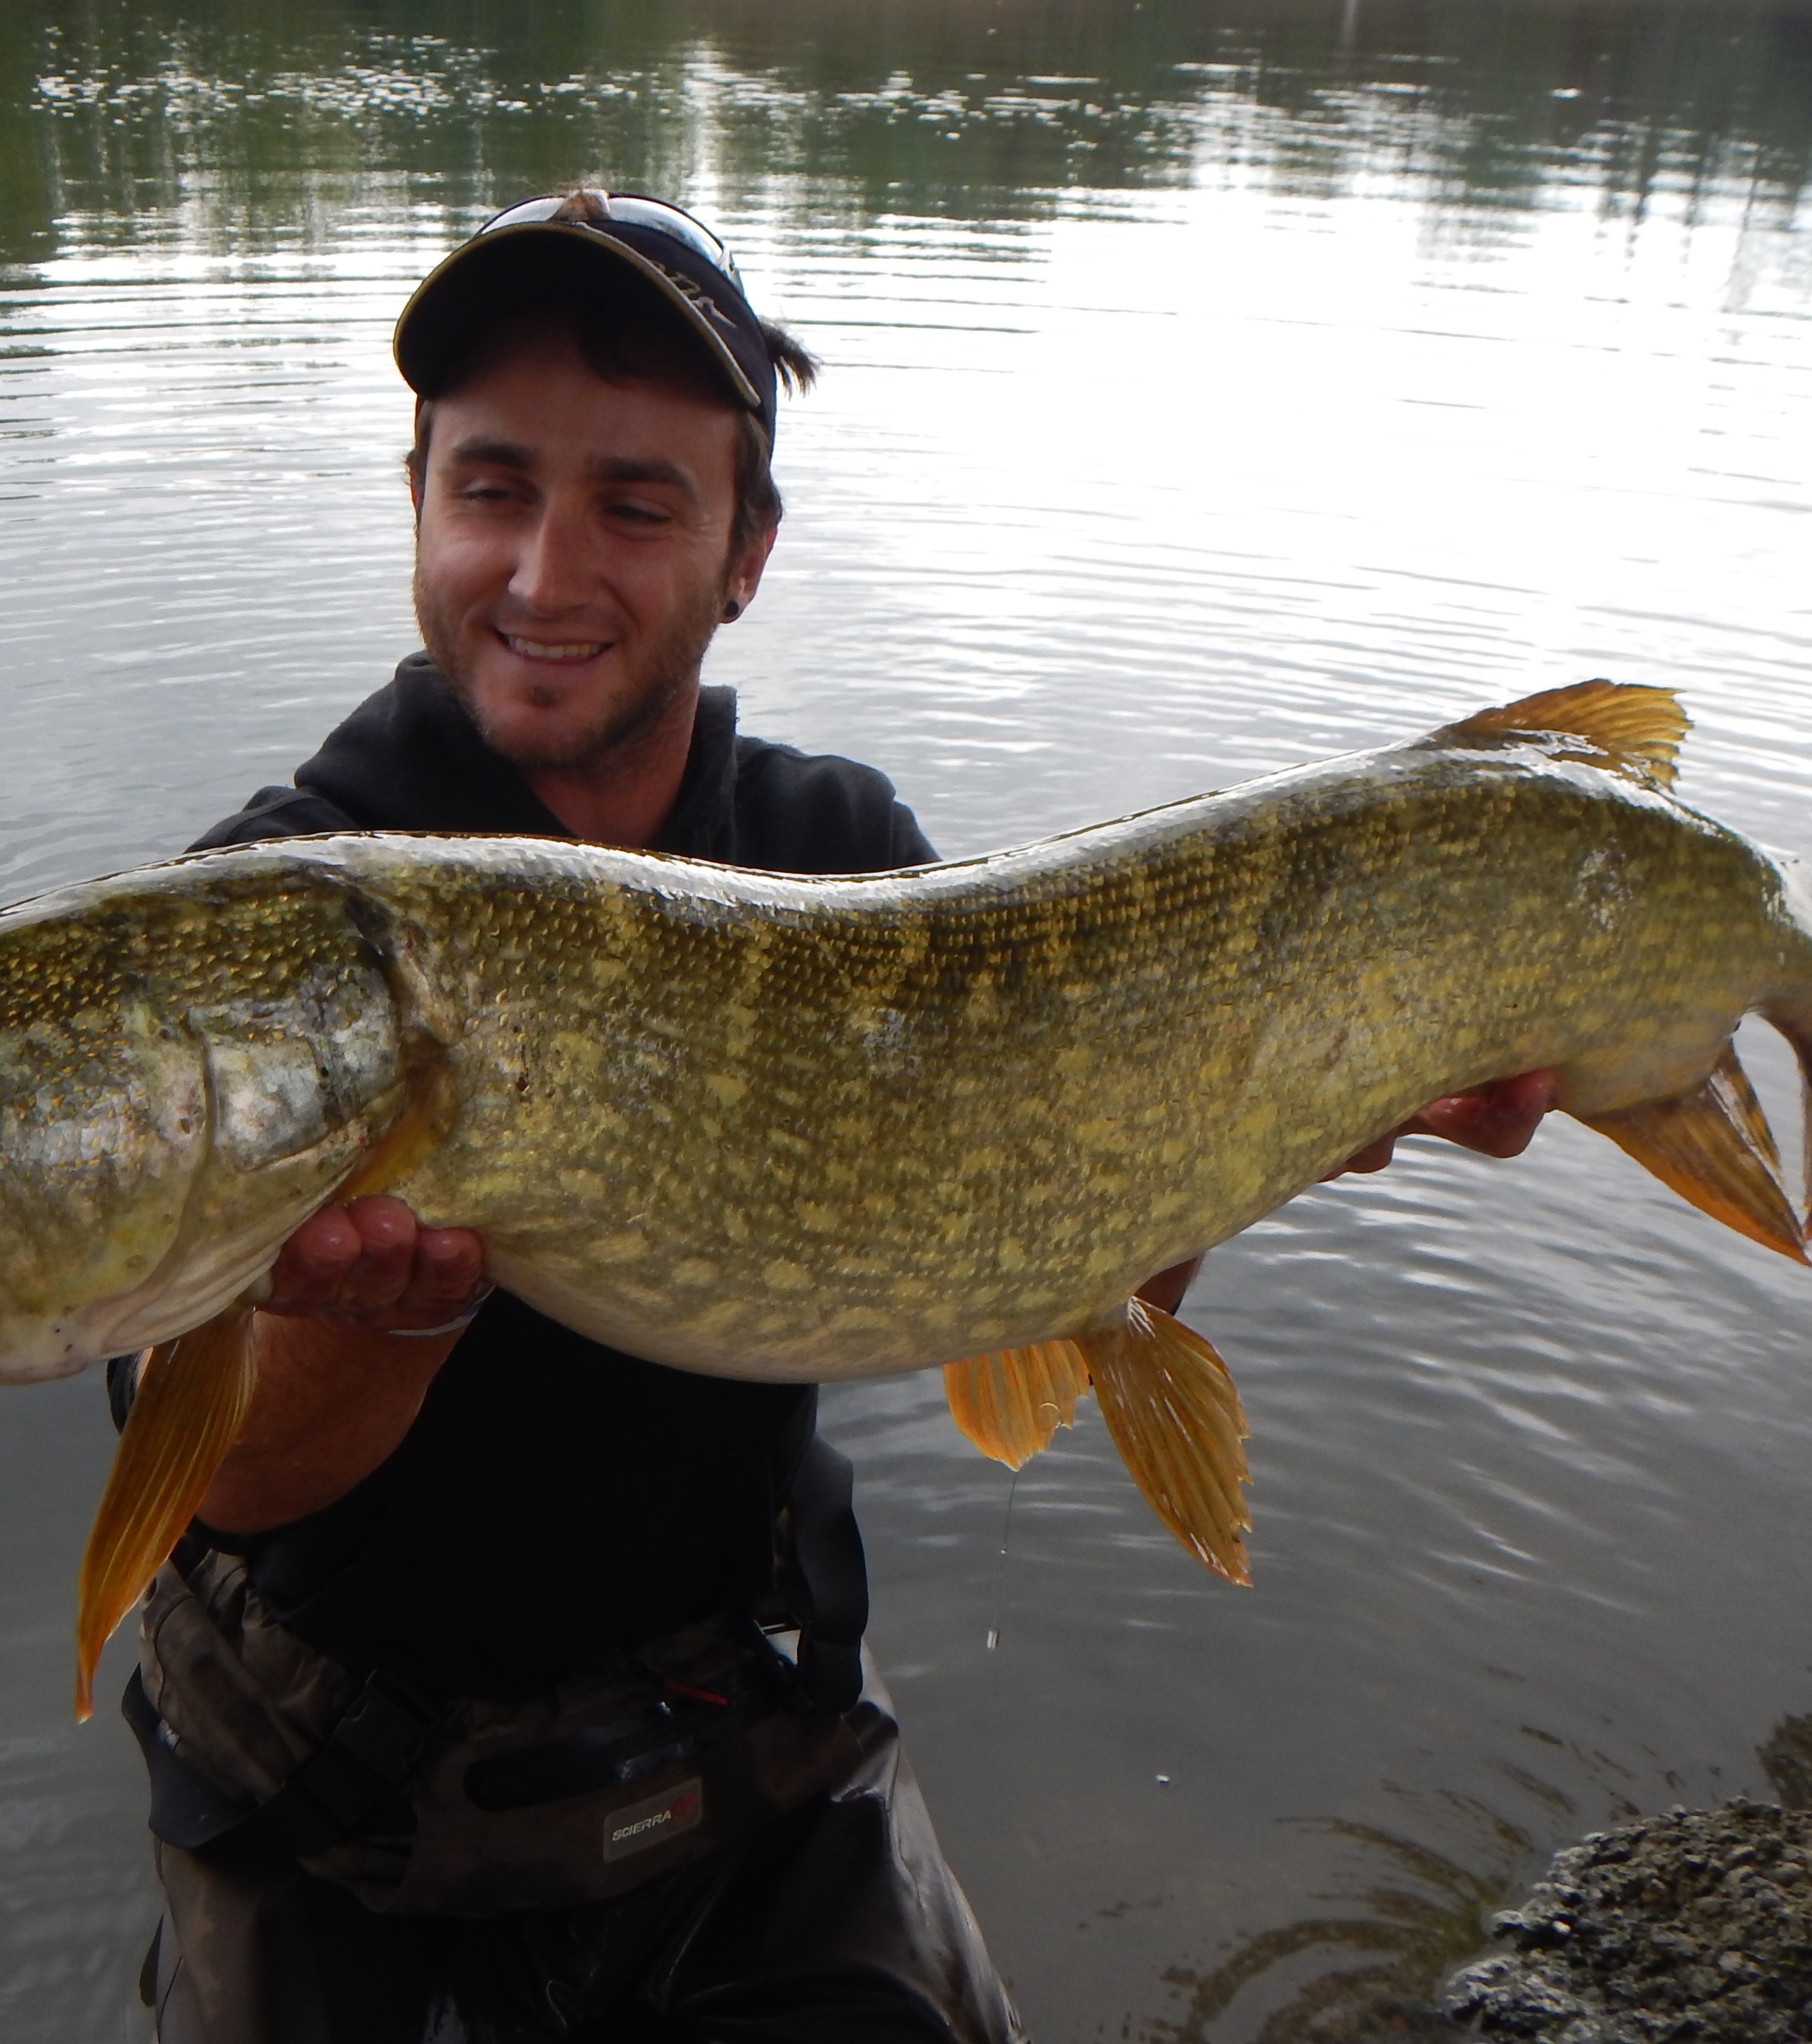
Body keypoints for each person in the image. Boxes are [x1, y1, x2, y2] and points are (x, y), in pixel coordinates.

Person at [110, 190, 1557, 2043]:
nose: (548, 575)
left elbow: (1054, 1270)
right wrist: (375, 1335)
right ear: (418, 499)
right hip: (328, 1813)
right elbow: (207, 1477)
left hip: (734, 1747)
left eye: (636, 504)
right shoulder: (274, 915)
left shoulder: (842, 865)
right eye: (493, 489)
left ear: (746, 552)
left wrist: (1294, 1099)